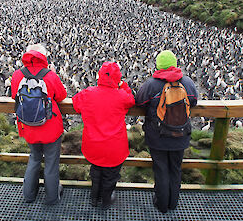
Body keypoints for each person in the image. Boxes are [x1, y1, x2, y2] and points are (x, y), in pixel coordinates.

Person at [135, 50, 198, 213]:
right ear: (174, 64)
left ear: (158, 65)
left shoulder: (151, 84)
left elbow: (139, 102)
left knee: (161, 169)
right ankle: (173, 203)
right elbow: (194, 100)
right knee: (175, 169)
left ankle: (161, 204)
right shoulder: (187, 83)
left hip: (158, 137)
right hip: (181, 135)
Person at [72, 62, 135, 209]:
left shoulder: (88, 93)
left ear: (99, 76)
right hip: (114, 147)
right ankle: (106, 201)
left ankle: (94, 198)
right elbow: (131, 100)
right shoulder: (121, 96)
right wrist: (122, 85)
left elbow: (75, 103)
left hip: (93, 145)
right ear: (117, 78)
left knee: (96, 172)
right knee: (110, 176)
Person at [11, 44, 67, 204]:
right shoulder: (49, 75)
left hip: (28, 127)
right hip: (50, 129)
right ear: (43, 57)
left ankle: (29, 195)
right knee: (50, 163)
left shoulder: (17, 75)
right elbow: (62, 95)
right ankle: (51, 198)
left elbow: (13, 96)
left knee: (34, 158)